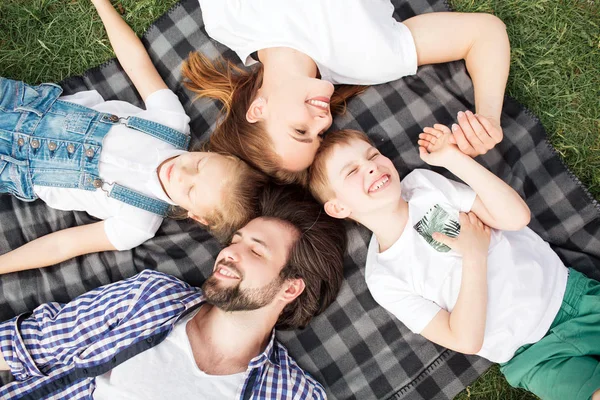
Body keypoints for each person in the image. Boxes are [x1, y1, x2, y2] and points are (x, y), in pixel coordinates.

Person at [307, 126, 600, 400]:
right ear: (338, 207)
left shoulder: (424, 186)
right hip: (531, 356)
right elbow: (465, 340)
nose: (370, 166)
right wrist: (474, 255)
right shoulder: (384, 279)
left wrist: (453, 159)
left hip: (570, 297)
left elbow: (515, 217)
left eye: (372, 155)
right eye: (352, 171)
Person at [0, 184, 346, 399]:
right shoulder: (151, 296)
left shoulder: (292, 394)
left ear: (290, 287)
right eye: (235, 240)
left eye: (256, 251)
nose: (229, 252)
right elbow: (28, 345)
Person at [0, 0, 268, 274]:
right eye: (200, 165)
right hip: (24, 108)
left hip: (12, 166)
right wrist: (101, 4)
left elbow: (61, 245)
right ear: (214, 152)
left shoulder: (137, 224)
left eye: (190, 190)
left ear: (196, 216)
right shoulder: (171, 124)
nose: (182, 173)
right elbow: (135, 63)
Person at [182, 0, 510, 184]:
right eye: (319, 135)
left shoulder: (228, 23)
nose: (321, 120)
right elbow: (483, 33)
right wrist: (488, 118)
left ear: (258, 109)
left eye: (300, 130)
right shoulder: (371, 60)